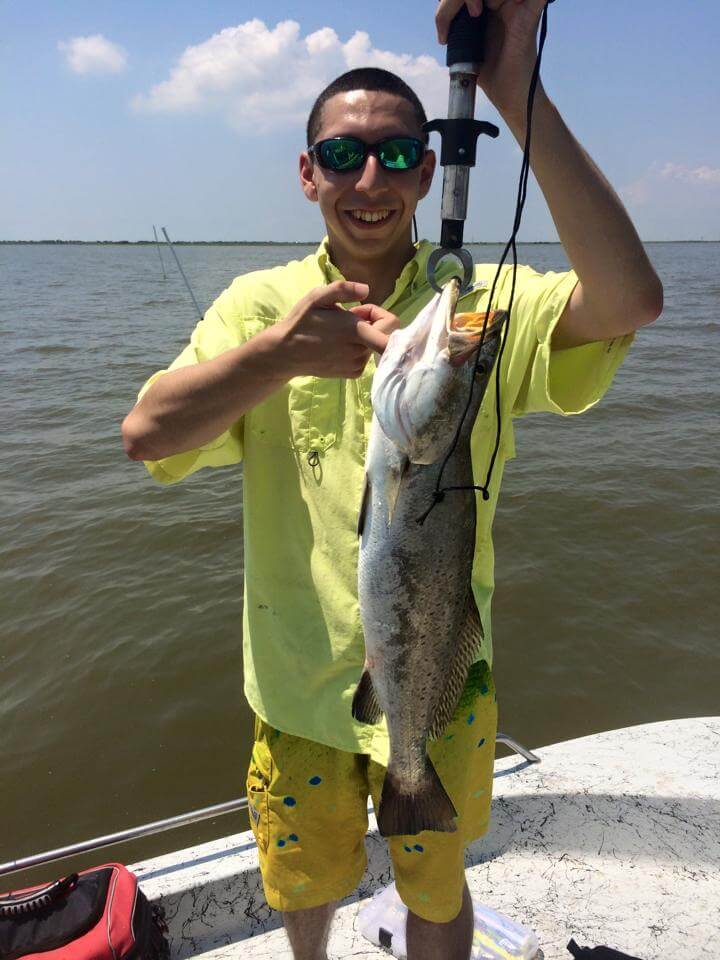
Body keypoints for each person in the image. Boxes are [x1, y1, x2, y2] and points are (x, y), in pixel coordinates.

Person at [121, 1, 662, 957]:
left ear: (429, 170)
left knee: (438, 886)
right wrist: (276, 356)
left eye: (402, 156)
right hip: (295, 693)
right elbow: (146, 436)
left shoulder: (477, 309)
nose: (371, 179)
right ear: (306, 172)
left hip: (442, 686)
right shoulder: (260, 306)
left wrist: (514, 85)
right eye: (342, 156)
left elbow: (629, 299)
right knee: (306, 886)